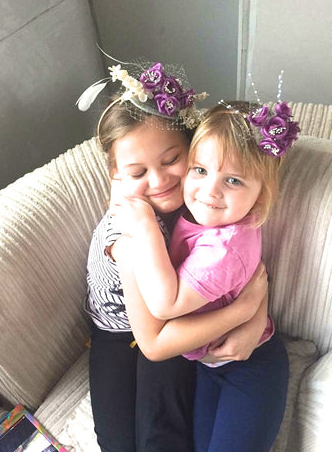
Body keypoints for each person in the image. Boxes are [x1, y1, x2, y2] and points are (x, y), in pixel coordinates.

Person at [77, 60, 269, 452]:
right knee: (117, 443)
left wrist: (258, 313)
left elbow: (241, 268)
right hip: (124, 332)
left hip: (178, 323)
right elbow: (154, 339)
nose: (160, 181)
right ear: (115, 176)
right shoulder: (131, 235)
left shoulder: (203, 199)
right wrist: (243, 313)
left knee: (163, 437)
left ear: (195, 152)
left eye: (171, 161)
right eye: (136, 173)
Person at [116, 100, 298, 451]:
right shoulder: (196, 208)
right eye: (199, 170)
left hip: (251, 367)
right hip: (208, 364)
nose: (210, 190)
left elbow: (167, 304)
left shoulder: (225, 245)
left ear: (260, 197)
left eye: (232, 180)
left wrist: (147, 231)